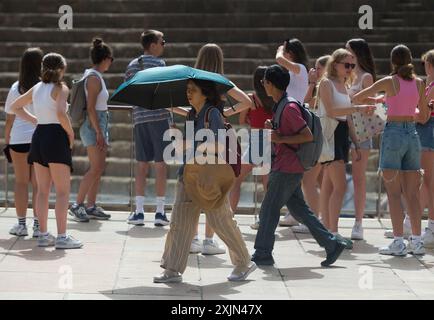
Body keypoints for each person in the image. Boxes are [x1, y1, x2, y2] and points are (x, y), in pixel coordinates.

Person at [153, 79, 257, 283]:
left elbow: (217, 145)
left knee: (221, 221)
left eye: (193, 90)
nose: (188, 93)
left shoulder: (213, 114)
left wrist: (191, 145)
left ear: (206, 94)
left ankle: (244, 261)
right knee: (179, 221)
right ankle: (172, 269)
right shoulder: (193, 114)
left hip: (210, 176)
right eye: (187, 90)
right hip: (189, 174)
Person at [251, 64, 347, 267]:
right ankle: (331, 244)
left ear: (271, 84)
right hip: (289, 166)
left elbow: (306, 135)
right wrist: (275, 128)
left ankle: (262, 253)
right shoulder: (281, 105)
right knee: (300, 210)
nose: (263, 85)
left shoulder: (289, 107)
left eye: (264, 82)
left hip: (287, 167)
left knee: (268, 210)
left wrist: (280, 137)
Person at [171, 43, 253, 255]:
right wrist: (225, 112)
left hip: (193, 130)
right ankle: (209, 240)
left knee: (193, 180)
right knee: (212, 186)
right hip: (214, 133)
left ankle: (193, 238)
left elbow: (175, 107)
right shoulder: (220, 81)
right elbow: (246, 101)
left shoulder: (192, 79)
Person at [353, 44, 430, 256]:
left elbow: (358, 97)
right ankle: (416, 241)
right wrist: (392, 104)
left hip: (393, 134)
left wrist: (380, 104)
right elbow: (422, 117)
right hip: (413, 135)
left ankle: (398, 242)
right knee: (413, 194)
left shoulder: (389, 81)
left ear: (392, 62)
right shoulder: (420, 83)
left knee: (394, 193)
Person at [10, 53, 82, 249]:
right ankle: (62, 237)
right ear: (61, 69)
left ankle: (42, 234)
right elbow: (60, 113)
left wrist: (35, 120)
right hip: (56, 136)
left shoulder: (37, 87)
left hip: (39, 136)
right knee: (62, 191)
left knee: (42, 191)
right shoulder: (61, 88)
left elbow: (14, 107)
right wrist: (70, 133)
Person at [317, 48, 374, 249]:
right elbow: (332, 110)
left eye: (352, 65)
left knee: (332, 186)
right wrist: (357, 108)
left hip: (341, 135)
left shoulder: (343, 84)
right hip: (330, 134)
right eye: (347, 65)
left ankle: (329, 230)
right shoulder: (326, 83)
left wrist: (356, 143)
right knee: (339, 186)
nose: (350, 69)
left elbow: (347, 118)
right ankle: (332, 232)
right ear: (335, 64)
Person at [125, 30, 170, 227]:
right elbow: (166, 92)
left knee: (141, 164)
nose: (163, 45)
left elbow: (127, 91)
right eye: (162, 42)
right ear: (153, 45)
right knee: (161, 164)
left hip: (140, 118)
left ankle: (139, 211)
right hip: (159, 118)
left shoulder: (132, 66)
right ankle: (160, 211)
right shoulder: (160, 65)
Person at [69, 38, 114, 222]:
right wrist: (99, 132)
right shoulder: (94, 78)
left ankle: (91, 205)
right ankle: (77, 205)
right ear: (106, 59)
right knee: (95, 167)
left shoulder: (94, 76)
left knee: (99, 167)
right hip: (94, 124)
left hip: (98, 123)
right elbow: (92, 108)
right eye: (111, 59)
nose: (111, 63)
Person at [229, 66, 273, 230]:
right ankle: (265, 219)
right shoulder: (274, 99)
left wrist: (252, 120)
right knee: (267, 184)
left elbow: (241, 121)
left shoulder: (251, 99)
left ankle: (230, 215)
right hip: (272, 140)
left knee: (236, 179)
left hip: (256, 140)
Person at [5, 48, 43, 237]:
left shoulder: (15, 87)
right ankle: (38, 226)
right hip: (39, 138)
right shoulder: (45, 87)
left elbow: (10, 118)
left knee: (21, 183)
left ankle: (21, 225)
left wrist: (7, 139)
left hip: (18, 139)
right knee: (38, 185)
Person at [292, 55, 330, 234]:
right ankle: (322, 218)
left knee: (308, 181)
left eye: (318, 68)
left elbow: (305, 102)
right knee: (322, 182)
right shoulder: (328, 86)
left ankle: (313, 220)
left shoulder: (325, 85)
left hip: (321, 136)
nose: (314, 71)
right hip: (325, 136)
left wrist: (312, 83)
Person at [275, 38, 310, 227]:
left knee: (294, 169)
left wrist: (280, 50)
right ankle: (294, 212)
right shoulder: (293, 71)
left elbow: (279, 59)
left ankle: (302, 215)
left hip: (295, 120)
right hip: (290, 119)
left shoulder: (300, 68)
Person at [345, 39, 377, 240]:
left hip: (361, 132)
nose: (346, 54)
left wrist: (353, 101)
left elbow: (369, 109)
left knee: (358, 177)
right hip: (342, 129)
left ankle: (358, 223)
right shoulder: (347, 75)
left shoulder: (366, 77)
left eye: (349, 51)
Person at [418, 49, 434, 248]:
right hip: (425, 130)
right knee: (426, 180)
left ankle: (431, 226)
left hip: (429, 130)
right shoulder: (428, 84)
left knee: (429, 180)